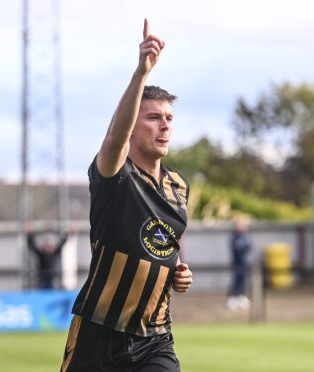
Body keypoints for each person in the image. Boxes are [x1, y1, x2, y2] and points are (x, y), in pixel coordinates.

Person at [61, 19, 193, 372]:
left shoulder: (179, 187)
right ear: (133, 125)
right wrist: (141, 74)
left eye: (168, 118)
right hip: (98, 333)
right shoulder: (115, 177)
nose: (164, 125)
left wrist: (179, 272)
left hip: (155, 338)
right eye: (153, 118)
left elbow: (164, 245)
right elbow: (114, 141)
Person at [227, 219, 252, 311]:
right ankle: (232, 299)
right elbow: (237, 248)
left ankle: (241, 298)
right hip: (236, 264)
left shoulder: (245, 236)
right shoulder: (234, 237)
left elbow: (248, 246)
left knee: (243, 282)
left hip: (244, 264)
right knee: (235, 282)